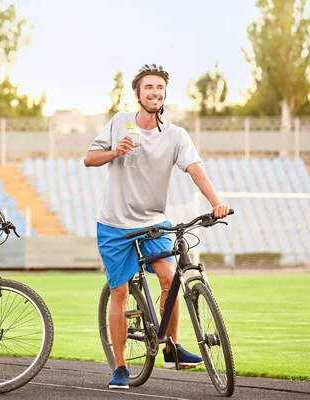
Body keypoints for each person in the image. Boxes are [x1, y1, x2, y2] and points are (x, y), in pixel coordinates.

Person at [83, 64, 230, 389]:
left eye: (160, 88)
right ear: (138, 94)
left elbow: (194, 169)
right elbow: (88, 159)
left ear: (165, 94)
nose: (155, 93)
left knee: (169, 276)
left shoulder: (176, 135)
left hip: (152, 222)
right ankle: (120, 366)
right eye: (149, 87)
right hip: (114, 224)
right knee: (119, 291)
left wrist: (215, 202)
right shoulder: (120, 122)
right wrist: (114, 151)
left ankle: (171, 346)